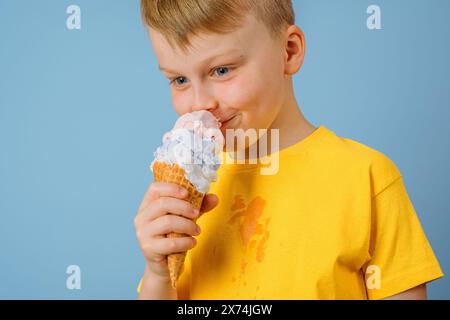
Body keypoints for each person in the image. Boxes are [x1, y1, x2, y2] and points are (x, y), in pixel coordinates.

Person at [134, 0, 443, 299]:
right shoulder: (184, 196)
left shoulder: (367, 179)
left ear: (289, 51)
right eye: (180, 79)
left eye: (222, 71)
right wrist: (158, 274)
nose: (199, 102)